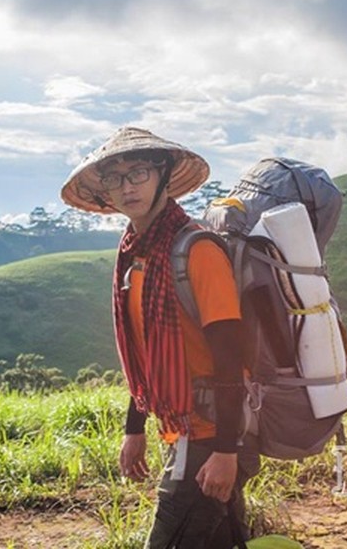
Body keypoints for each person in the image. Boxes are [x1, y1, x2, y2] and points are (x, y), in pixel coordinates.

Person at [61, 126, 259, 548]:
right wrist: (135, 428)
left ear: (164, 176)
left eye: (139, 173)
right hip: (182, 431)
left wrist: (226, 452)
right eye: (114, 179)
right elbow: (145, 354)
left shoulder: (197, 251)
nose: (127, 187)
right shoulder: (137, 254)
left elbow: (229, 355)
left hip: (210, 436)